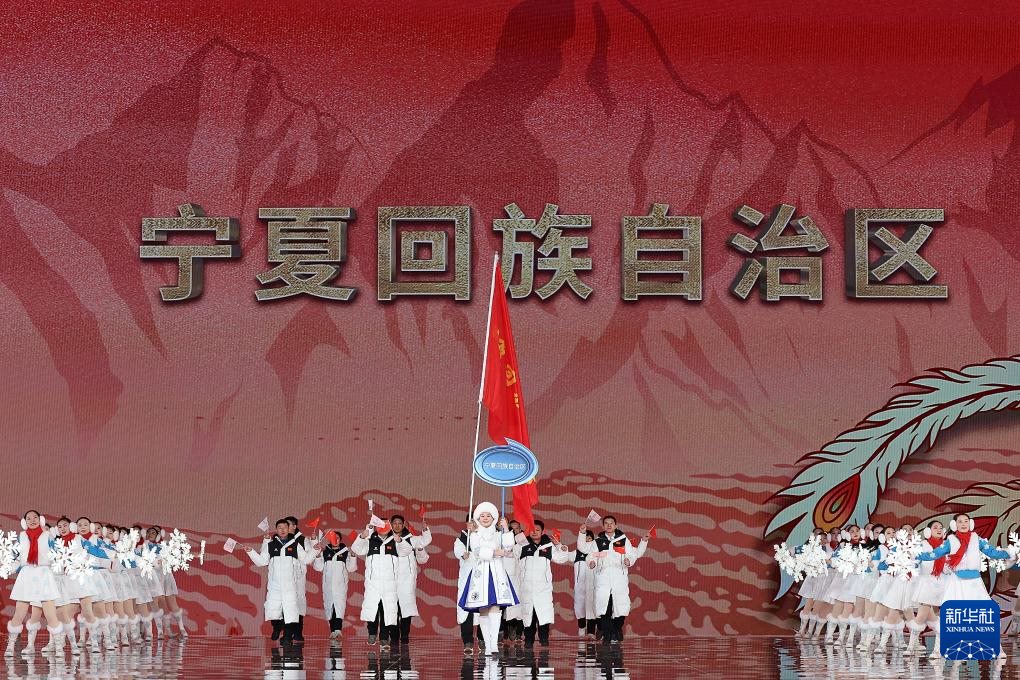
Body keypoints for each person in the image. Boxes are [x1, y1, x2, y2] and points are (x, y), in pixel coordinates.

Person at [458, 502, 519, 657]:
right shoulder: (474, 534)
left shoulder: (498, 533)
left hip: (497, 573)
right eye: (482, 516)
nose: (485, 518)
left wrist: (506, 529)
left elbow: (508, 548)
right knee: (484, 609)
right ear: (478, 518)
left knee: (495, 608)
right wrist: (495, 552)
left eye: (488, 516)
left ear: (494, 518)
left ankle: (493, 645)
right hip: (481, 574)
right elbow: (478, 551)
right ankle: (487, 643)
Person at [575, 515, 649, 644]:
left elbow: (633, 554)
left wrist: (629, 560)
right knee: (604, 609)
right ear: (603, 526)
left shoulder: (623, 540)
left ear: (616, 526)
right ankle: (607, 635)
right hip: (603, 579)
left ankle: (617, 628)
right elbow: (591, 555)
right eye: (606, 523)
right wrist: (591, 562)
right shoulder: (598, 542)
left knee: (621, 608)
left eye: (611, 523)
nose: (609, 525)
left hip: (619, 579)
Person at [245, 519, 318, 644]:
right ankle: (277, 628)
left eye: (285, 527)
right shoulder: (270, 545)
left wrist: (315, 550)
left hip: (290, 585)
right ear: (276, 529)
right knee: (273, 609)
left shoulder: (295, 545)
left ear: (289, 529)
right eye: (280, 528)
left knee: (290, 610)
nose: (282, 530)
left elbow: (306, 559)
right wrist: (251, 552)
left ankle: (287, 636)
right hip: (275, 585)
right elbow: (262, 561)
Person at [4, 511, 64, 657]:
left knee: (50, 614)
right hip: (27, 575)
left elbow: (58, 554)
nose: (32, 520)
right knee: (19, 613)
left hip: (44, 574)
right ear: (24, 522)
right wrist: (8, 567)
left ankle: (59, 648)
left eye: (35, 517)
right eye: (28, 518)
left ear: (40, 520)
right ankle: (10, 646)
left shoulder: (47, 536)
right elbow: (17, 557)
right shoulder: (22, 537)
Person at [351, 518, 412, 651]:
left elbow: (407, 550)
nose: (383, 527)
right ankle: (372, 633)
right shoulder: (370, 540)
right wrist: (361, 536)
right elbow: (356, 549)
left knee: (386, 611)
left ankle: (384, 637)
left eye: (385, 525)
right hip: (373, 583)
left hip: (389, 584)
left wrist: (399, 541)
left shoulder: (395, 541)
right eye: (380, 524)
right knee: (372, 609)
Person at [515, 520, 571, 648]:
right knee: (529, 617)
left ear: (542, 532)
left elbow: (562, 558)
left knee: (543, 616)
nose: (534, 532)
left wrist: (559, 545)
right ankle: (528, 641)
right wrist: (518, 537)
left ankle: (544, 641)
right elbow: (512, 552)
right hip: (527, 589)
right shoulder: (523, 545)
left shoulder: (548, 546)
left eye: (537, 530)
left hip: (543, 589)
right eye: (532, 530)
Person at [390, 514, 431, 646]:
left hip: (407, 580)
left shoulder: (412, 539)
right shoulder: (387, 540)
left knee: (406, 609)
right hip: (390, 579)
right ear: (391, 525)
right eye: (394, 523)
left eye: (399, 523)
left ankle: (405, 636)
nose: (397, 525)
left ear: (403, 525)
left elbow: (423, 559)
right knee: (392, 608)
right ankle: (394, 636)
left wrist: (425, 530)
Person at [312, 530, 357, 643]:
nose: (335, 539)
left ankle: (338, 630)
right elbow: (318, 568)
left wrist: (353, 556)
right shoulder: (325, 552)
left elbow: (351, 568)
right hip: (328, 585)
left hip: (340, 585)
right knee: (330, 607)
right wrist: (317, 556)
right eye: (333, 537)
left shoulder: (345, 552)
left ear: (340, 539)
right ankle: (333, 631)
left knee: (339, 606)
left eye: (337, 537)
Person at [574, 530, 597, 639]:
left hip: (592, 587)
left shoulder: (596, 554)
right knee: (580, 608)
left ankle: (591, 632)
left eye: (590, 538)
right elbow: (563, 556)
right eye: (585, 538)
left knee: (592, 608)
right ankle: (582, 627)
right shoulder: (576, 553)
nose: (587, 541)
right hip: (580, 588)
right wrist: (560, 546)